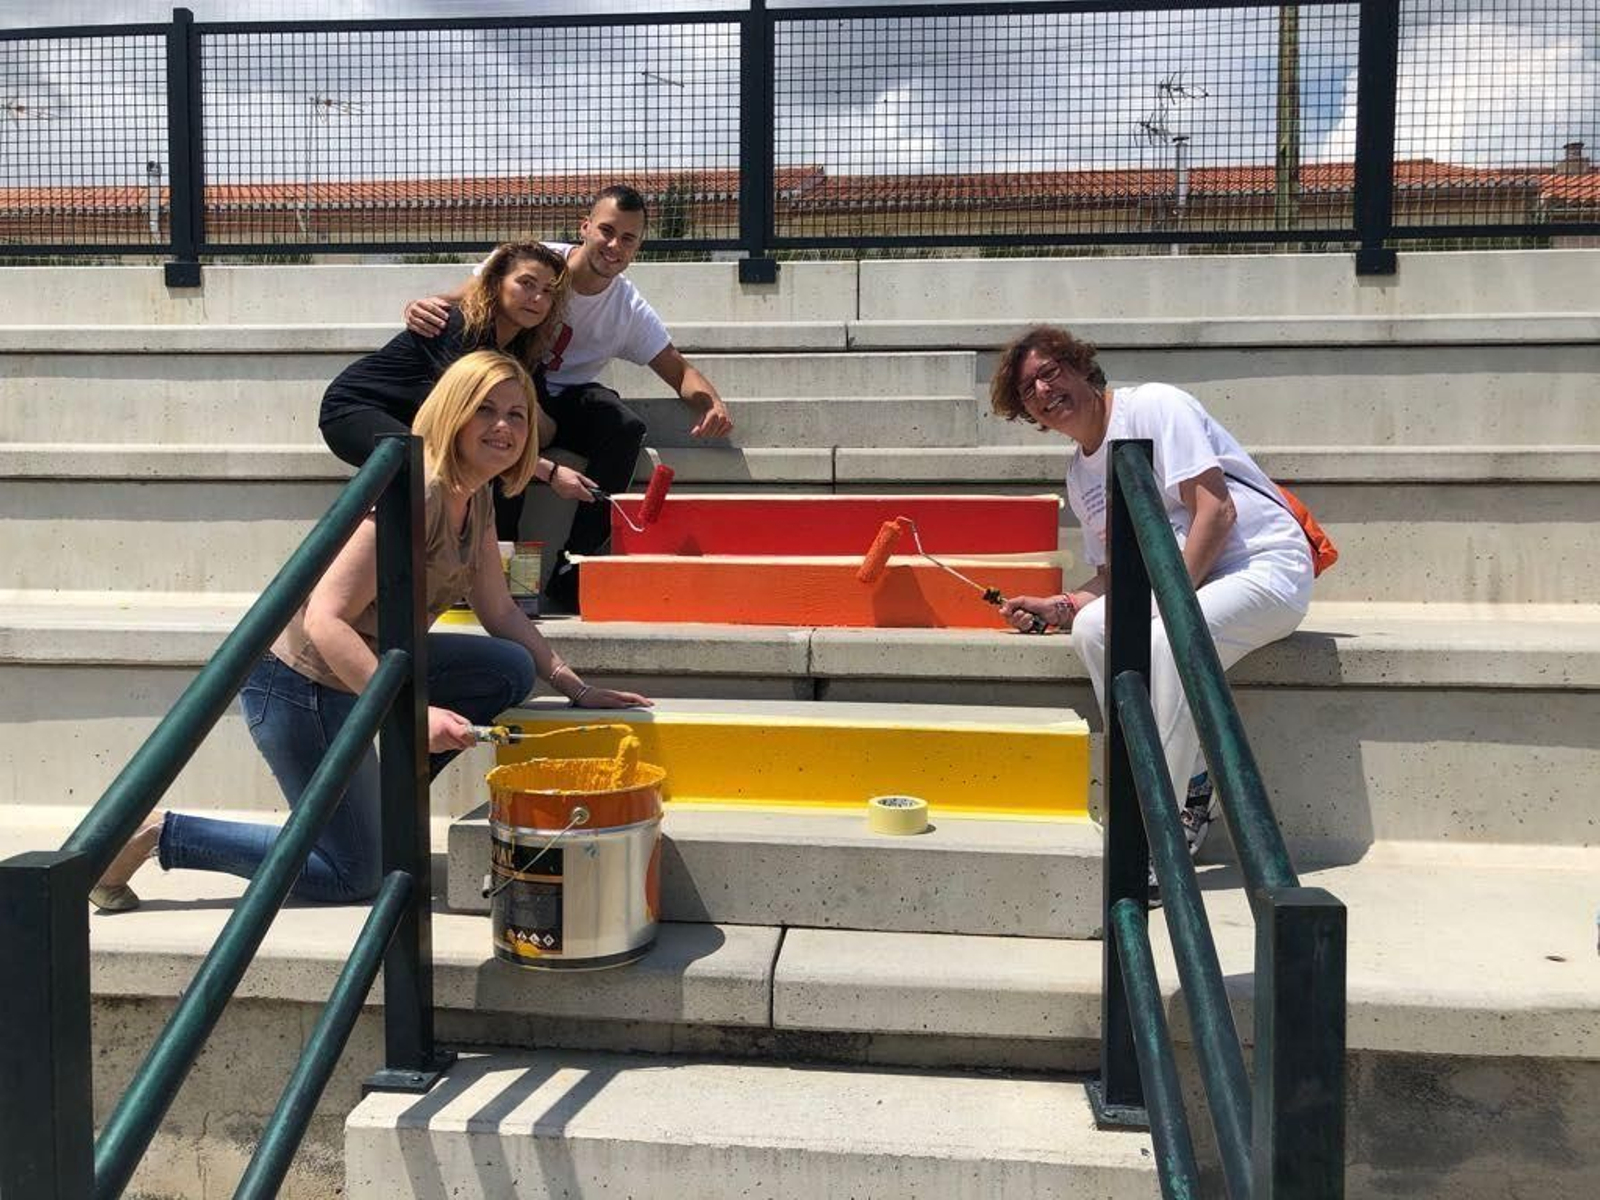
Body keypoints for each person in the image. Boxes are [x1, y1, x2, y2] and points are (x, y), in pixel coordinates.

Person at [90, 351, 652, 912]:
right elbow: (324, 619)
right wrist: (411, 714)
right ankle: (157, 834)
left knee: (507, 667)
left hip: (374, 663)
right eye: (484, 410)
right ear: (453, 413)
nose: (502, 427)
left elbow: (499, 609)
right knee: (352, 875)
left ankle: (381, 806)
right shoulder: (419, 490)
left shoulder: (473, 494)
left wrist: (575, 687)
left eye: (516, 414)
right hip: (301, 685)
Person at [989, 326, 1313, 882]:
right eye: (1027, 390)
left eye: (1050, 372)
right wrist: (1063, 604)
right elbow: (1116, 575)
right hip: (1193, 584)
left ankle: (1156, 835)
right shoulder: (1078, 473)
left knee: (1164, 637)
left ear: (1080, 367)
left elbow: (1216, 513)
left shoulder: (1156, 406)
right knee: (1092, 629)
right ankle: (1190, 783)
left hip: (1264, 567)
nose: (1043, 391)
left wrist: (1162, 603)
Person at [403, 184, 734, 611]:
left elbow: (679, 370)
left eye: (628, 239)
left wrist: (711, 404)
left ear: (638, 248)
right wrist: (419, 305)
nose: (615, 246)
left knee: (625, 426)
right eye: (607, 231)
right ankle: (493, 575)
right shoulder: (539, 265)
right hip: (511, 388)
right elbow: (471, 297)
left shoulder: (628, 307)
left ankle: (572, 565)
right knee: (510, 436)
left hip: (567, 399)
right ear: (585, 228)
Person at [319, 240, 604, 536]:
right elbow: (464, 412)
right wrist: (551, 471)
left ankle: (501, 558)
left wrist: (529, 409)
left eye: (548, 292)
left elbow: (545, 430)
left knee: (495, 462)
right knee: (419, 466)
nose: (536, 298)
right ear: (495, 283)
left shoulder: (523, 352)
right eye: (526, 283)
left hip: (413, 426)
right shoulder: (459, 325)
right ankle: (360, 555)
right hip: (354, 409)